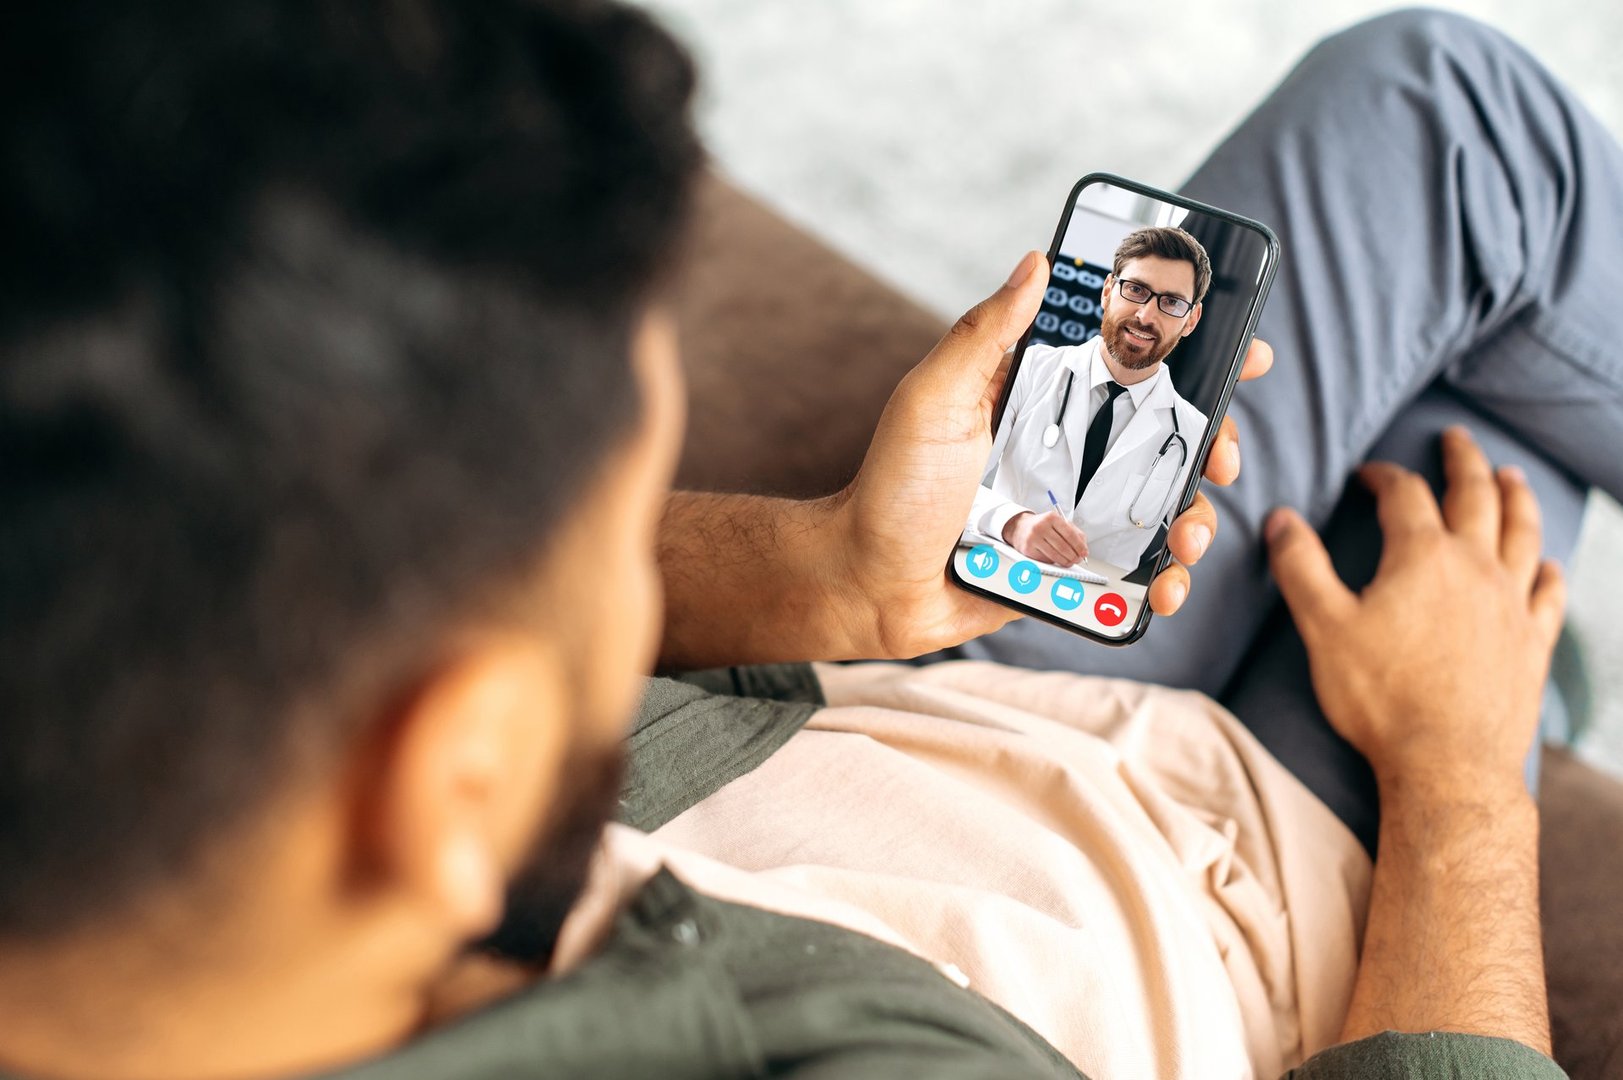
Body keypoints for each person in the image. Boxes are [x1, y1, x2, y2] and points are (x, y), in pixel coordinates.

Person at [0, 4, 1613, 1080]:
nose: (648, 569)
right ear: (456, 779)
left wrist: (834, 568)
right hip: (1271, 893)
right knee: (1500, 388)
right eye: (613, 542)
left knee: (1439, 118)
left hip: (928, 702)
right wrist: (1461, 779)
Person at [968, 227, 1211, 573]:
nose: (1145, 316)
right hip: (995, 572)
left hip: (1092, 613)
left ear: (1191, 320)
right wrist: (1013, 522)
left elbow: (1184, 553)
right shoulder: (1029, 369)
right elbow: (952, 484)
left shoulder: (1195, 432)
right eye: (1136, 290)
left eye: (1171, 302)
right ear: (1109, 290)